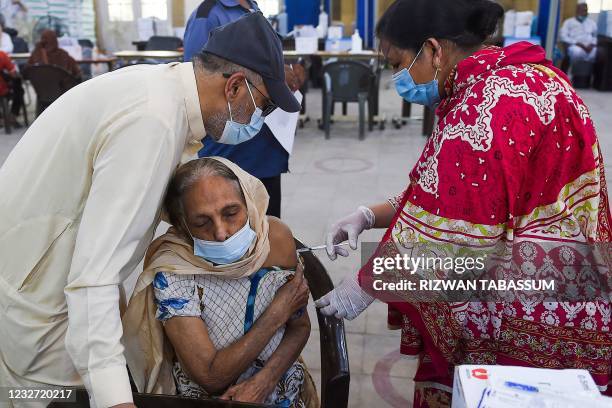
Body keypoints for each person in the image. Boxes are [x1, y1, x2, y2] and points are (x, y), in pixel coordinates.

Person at [315, 0, 612, 406]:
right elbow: (453, 191)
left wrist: (364, 285)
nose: (397, 77)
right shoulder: (519, 76)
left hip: (530, 308)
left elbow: (453, 235)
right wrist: (370, 215)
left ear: (435, 50)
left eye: (398, 63)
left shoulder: (483, 110)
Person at [0, 12, 300, 408]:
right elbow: (94, 279)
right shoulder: (153, 122)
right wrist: (116, 401)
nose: (258, 120)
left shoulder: (159, 91)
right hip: (39, 292)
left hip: (38, 260)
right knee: (51, 397)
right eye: (261, 106)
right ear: (234, 87)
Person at [123, 157, 318, 407]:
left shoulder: (274, 240)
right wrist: (277, 313)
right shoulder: (173, 269)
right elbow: (210, 377)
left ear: (248, 203)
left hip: (277, 381)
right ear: (182, 226)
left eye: (231, 213)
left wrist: (263, 382)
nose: (221, 232)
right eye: (201, 222)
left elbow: (299, 328)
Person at [183, 0, 306, 218]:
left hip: (265, 149)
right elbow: (198, 82)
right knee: (232, 227)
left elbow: (260, 66)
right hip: (231, 152)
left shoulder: (254, 8)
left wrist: (283, 72)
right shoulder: (208, 15)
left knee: (267, 229)